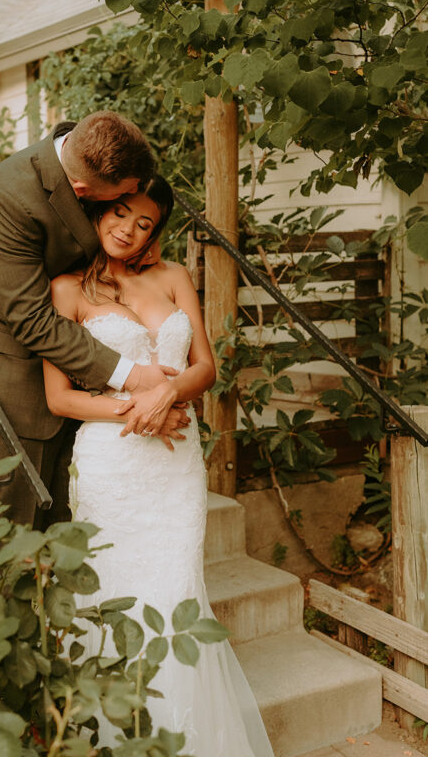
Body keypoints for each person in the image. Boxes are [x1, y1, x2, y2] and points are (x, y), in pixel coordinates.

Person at [43, 175, 275, 757]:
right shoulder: (67, 290)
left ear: (156, 231)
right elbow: (61, 400)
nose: (128, 229)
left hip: (176, 467)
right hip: (111, 463)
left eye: (144, 222)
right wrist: (138, 405)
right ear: (98, 212)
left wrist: (165, 398)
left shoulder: (173, 277)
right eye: (120, 213)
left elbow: (204, 368)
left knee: (176, 593)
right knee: (112, 595)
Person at [0, 111, 188, 529]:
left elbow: (123, 221)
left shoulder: (92, 156)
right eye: (123, 196)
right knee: (14, 530)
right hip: (18, 376)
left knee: (79, 528)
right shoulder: (4, 200)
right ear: (83, 190)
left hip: (92, 381)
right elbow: (32, 321)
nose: (134, 195)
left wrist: (146, 245)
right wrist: (138, 382)